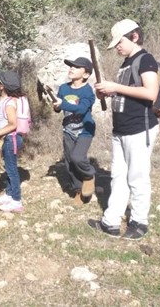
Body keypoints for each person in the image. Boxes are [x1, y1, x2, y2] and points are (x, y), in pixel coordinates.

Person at [89, 19, 160, 241]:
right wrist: (109, 92)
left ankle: (139, 222)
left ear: (134, 37)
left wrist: (115, 87)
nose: (117, 47)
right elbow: (129, 93)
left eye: (119, 42)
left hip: (140, 128)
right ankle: (110, 221)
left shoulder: (145, 60)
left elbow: (150, 93)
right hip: (121, 129)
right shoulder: (126, 63)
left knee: (137, 177)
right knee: (118, 177)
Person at [52, 57, 97, 207]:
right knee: (70, 162)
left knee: (78, 157)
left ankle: (89, 176)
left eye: (76, 67)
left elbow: (82, 108)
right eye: (71, 66)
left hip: (85, 129)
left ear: (85, 74)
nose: (71, 68)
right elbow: (58, 107)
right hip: (68, 130)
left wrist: (63, 104)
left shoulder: (88, 91)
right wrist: (57, 106)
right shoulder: (64, 88)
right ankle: (79, 191)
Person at [0, 69, 26, 213]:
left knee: (11, 170)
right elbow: (3, 119)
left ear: (1, 86)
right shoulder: (5, 100)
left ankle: (16, 200)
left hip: (11, 140)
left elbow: (13, 124)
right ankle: (9, 194)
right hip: (9, 139)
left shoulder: (9, 103)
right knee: (9, 169)